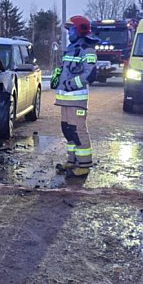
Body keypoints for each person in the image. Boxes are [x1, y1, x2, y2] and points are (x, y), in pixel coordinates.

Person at [55, 15, 99, 177]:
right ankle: (72, 161)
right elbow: (65, 70)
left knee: (78, 130)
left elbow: (90, 75)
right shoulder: (71, 48)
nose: (69, 33)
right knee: (67, 130)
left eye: (71, 29)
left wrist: (70, 84)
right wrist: (57, 78)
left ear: (79, 30)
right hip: (65, 99)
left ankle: (84, 165)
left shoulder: (87, 50)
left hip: (76, 99)